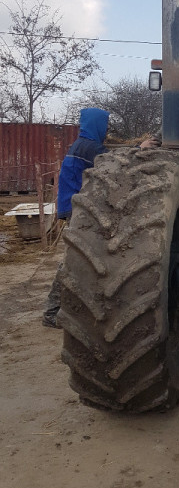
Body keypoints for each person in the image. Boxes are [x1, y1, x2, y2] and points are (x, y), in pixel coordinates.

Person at [43, 108, 110, 327]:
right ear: (97, 125)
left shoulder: (82, 144)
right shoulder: (89, 147)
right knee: (73, 261)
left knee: (81, 259)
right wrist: (140, 148)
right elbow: (112, 163)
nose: (107, 130)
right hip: (76, 208)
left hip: (73, 206)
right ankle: (52, 312)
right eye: (105, 125)